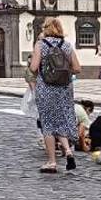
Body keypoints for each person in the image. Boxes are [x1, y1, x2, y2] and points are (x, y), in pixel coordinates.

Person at [28, 17, 83, 173]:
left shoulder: (41, 45)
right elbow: (77, 68)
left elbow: (33, 68)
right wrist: (63, 71)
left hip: (46, 88)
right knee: (62, 120)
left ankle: (52, 162)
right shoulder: (66, 45)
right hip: (64, 89)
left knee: (48, 124)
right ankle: (68, 151)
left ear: (46, 28)